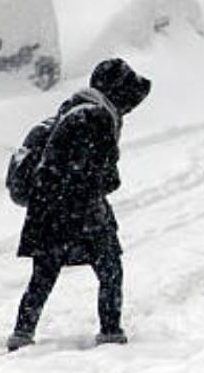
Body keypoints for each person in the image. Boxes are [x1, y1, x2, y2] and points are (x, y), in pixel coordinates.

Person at [8, 57, 151, 351]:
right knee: (110, 268)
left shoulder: (71, 110)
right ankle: (110, 333)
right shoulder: (97, 118)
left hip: (48, 212)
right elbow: (108, 178)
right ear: (117, 92)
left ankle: (21, 335)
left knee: (43, 276)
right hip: (81, 212)